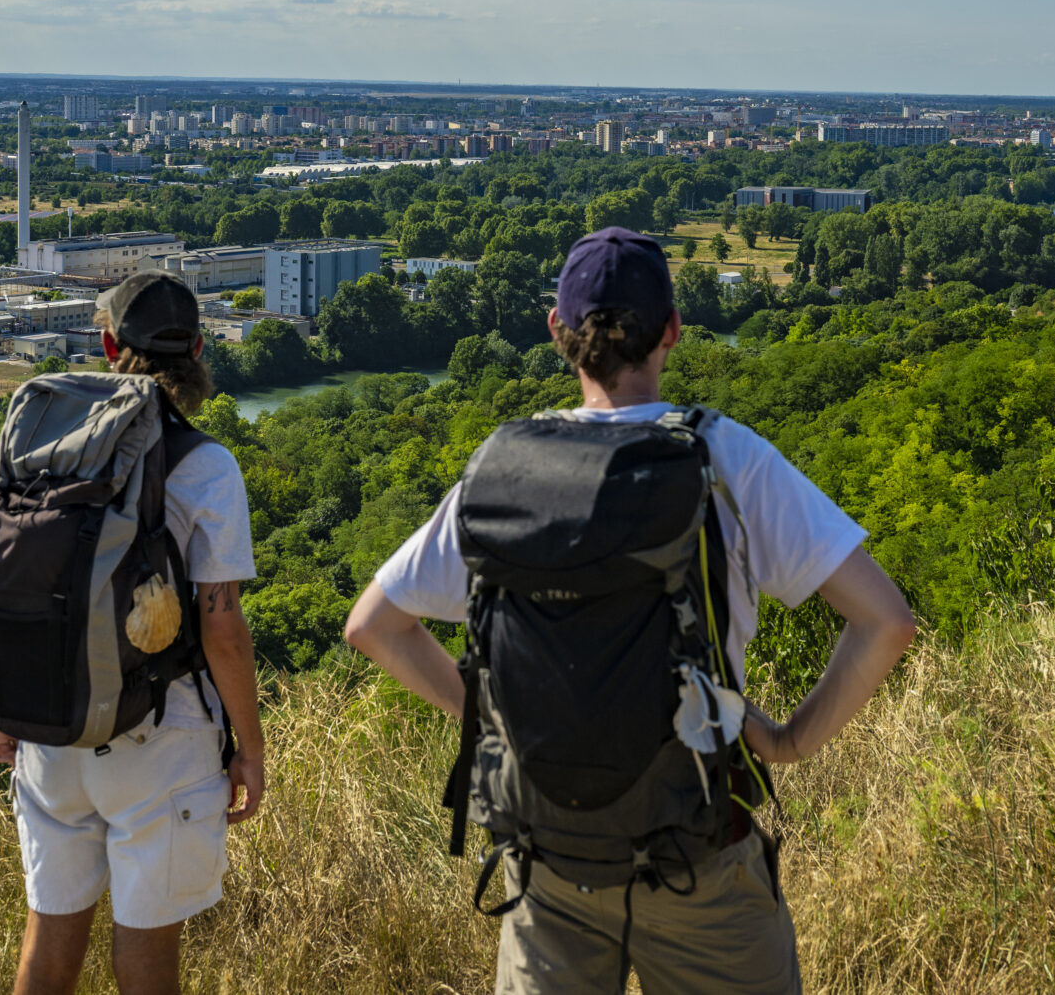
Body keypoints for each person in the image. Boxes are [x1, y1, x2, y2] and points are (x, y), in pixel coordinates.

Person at [344, 227, 917, 994]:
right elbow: (887, 620)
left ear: (557, 331)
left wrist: (492, 717)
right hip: (700, 853)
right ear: (672, 330)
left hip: (547, 864)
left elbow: (372, 625)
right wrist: (785, 741)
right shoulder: (725, 459)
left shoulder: (508, 469)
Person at [0, 272, 267, 995]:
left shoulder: (46, 448)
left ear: (108, 344)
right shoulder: (206, 465)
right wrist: (251, 746)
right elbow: (221, 623)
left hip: (52, 729)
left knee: (47, 952)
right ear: (200, 349)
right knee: (146, 964)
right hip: (157, 738)